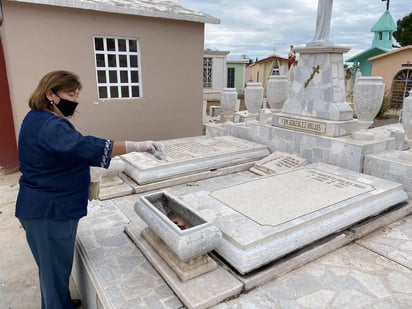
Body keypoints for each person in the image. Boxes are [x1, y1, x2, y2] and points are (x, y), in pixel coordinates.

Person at [15, 70, 162, 309]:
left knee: (55, 269)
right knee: (52, 273)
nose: (75, 100)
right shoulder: (50, 125)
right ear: (50, 94)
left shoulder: (37, 118)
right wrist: (137, 145)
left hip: (42, 206)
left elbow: (65, 153)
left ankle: (61, 302)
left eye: (77, 95)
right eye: (70, 94)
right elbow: (83, 146)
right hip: (49, 211)